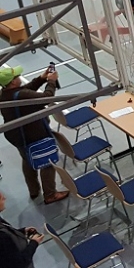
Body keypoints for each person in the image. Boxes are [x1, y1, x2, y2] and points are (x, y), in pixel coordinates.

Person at [0, 66, 69, 204]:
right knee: (47, 163)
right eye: (16, 76)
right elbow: (46, 98)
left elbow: (24, 90)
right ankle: (50, 194)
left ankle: (33, 190)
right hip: (33, 135)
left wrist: (41, 78)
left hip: (17, 135)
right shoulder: (21, 95)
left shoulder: (4, 94)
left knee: (27, 160)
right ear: (12, 82)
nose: (19, 77)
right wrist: (52, 81)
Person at [0, 189, 45, 267]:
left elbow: (7, 235)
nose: (4, 198)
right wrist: (34, 243)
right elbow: (20, 262)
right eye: (0, 198)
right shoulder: (2, 237)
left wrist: (22, 231)